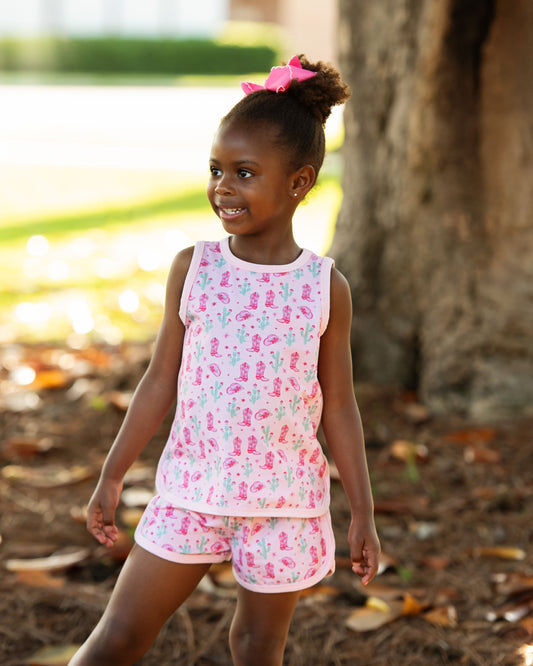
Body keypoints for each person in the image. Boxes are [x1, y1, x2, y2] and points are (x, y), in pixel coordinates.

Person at [69, 55, 380, 666]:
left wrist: (362, 513)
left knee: (256, 648)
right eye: (216, 170)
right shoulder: (196, 269)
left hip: (284, 505)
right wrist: (112, 474)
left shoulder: (324, 287)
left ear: (299, 182)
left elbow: (339, 406)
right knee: (120, 635)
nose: (222, 188)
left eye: (243, 172)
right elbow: (160, 381)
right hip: (191, 491)